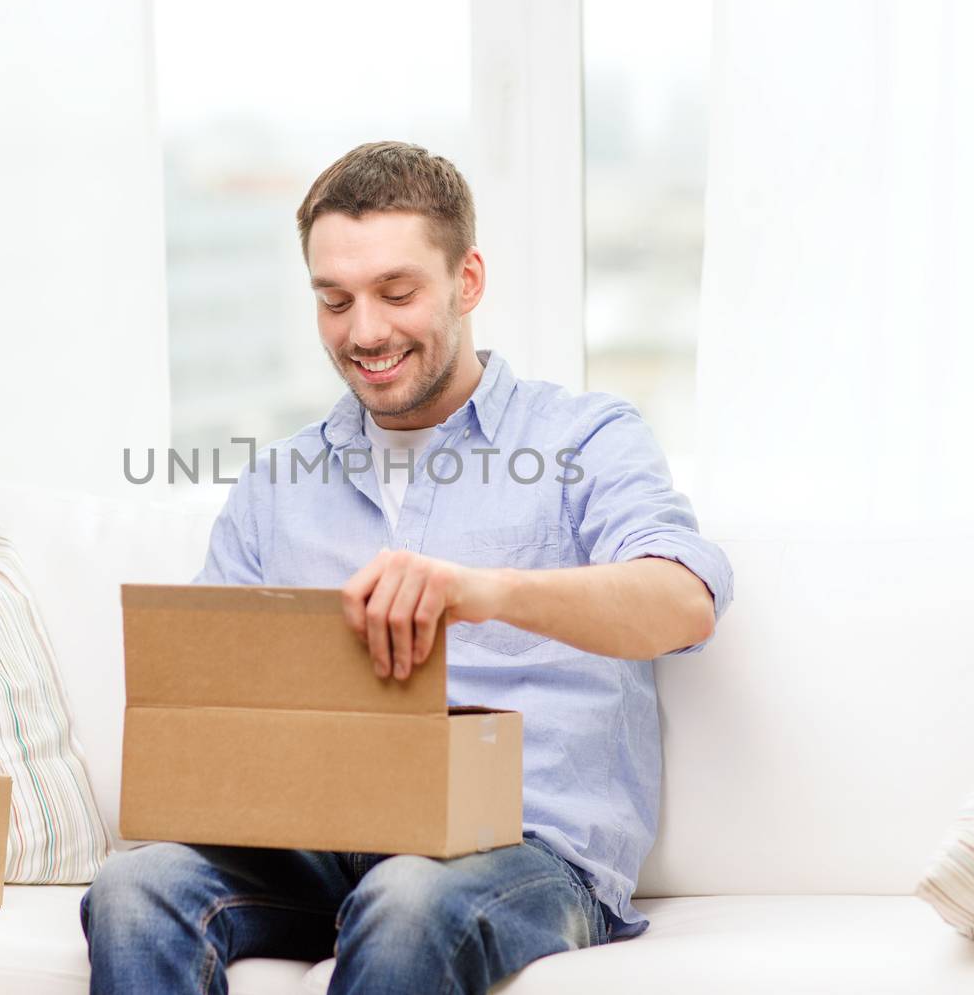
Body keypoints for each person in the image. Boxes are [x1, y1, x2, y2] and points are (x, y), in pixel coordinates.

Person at [79, 140, 734, 994]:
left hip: (518, 849)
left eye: (397, 292)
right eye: (334, 300)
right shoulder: (278, 482)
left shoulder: (583, 437)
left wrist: (480, 590)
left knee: (408, 894)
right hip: (314, 843)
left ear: (467, 282)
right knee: (130, 887)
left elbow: (683, 600)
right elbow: (210, 709)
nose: (365, 331)